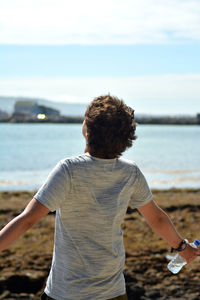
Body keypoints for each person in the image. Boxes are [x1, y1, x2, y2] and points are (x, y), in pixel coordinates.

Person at [0, 94, 199, 300]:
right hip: (112, 292)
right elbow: (156, 217)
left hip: (67, 293)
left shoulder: (69, 170)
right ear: (126, 138)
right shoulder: (130, 173)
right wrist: (182, 247)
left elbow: (28, 219)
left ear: (86, 130)